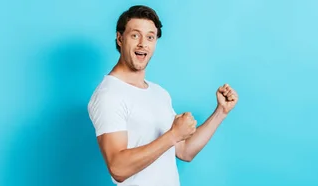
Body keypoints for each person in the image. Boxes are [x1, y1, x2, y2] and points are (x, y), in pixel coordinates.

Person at [87, 5, 238, 186]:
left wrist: (221, 112)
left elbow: (184, 151)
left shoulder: (159, 93)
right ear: (120, 39)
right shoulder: (109, 94)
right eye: (135, 35)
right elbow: (118, 169)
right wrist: (173, 135)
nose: (143, 43)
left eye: (150, 37)